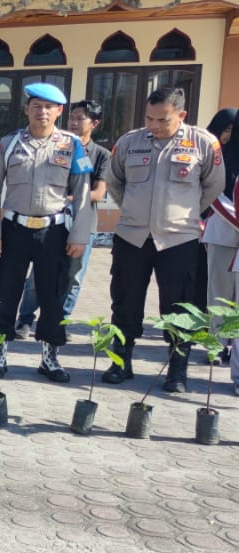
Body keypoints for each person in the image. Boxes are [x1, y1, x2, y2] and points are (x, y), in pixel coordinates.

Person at [102, 87, 225, 392]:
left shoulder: (203, 143)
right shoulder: (129, 142)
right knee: (125, 302)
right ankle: (121, 363)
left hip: (178, 240)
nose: (154, 125)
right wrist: (134, 211)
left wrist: (182, 217)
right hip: (133, 237)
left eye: (162, 119)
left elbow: (213, 186)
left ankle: (177, 371)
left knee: (178, 306)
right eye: (149, 118)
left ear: (181, 115)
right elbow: (115, 182)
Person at [0, 83, 94, 383]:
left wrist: (79, 235)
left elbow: (82, 193)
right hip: (14, 229)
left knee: (52, 294)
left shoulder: (72, 145)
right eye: (36, 106)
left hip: (54, 231)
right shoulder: (9, 143)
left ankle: (49, 356)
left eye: (48, 107)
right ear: (26, 109)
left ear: (59, 111)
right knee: (5, 293)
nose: (42, 112)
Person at [15, 100, 113, 338]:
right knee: (38, 275)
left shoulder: (101, 155)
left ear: (95, 123)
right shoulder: (59, 145)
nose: (74, 122)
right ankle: (25, 319)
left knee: (73, 276)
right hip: (50, 222)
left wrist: (65, 197)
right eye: (72, 118)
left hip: (82, 223)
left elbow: (98, 192)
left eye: (81, 118)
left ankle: (59, 321)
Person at [199, 109, 239, 366]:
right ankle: (217, 344)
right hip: (223, 232)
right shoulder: (221, 156)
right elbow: (214, 193)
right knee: (220, 293)